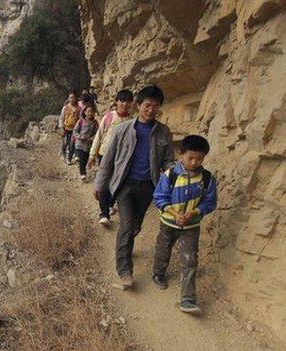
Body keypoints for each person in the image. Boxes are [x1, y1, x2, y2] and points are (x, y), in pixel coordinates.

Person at [93, 85, 174, 290]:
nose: (151, 110)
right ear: (138, 105)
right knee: (127, 227)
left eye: (155, 107)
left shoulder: (164, 132)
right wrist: (100, 184)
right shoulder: (122, 130)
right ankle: (125, 272)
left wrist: (172, 172)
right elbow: (108, 160)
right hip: (125, 186)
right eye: (147, 105)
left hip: (149, 187)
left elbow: (167, 161)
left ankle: (125, 245)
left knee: (136, 227)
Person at [151, 135, 217, 315]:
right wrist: (174, 213)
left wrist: (195, 212)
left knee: (190, 259)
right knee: (163, 247)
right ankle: (158, 273)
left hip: (191, 225)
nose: (194, 162)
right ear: (181, 155)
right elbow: (159, 197)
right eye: (190, 158)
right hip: (168, 222)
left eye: (199, 159)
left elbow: (210, 202)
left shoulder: (207, 178)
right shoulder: (170, 175)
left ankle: (188, 300)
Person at [89, 89, 134, 225]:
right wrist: (92, 154)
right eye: (122, 101)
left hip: (122, 158)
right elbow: (99, 135)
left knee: (117, 183)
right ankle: (104, 214)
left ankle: (109, 204)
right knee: (103, 183)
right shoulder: (109, 117)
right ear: (116, 101)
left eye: (128, 101)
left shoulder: (132, 121)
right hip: (105, 155)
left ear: (131, 103)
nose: (125, 104)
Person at [73, 104, 99, 180]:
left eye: (92, 112)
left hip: (89, 145)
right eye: (88, 111)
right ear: (84, 112)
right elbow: (75, 131)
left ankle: (85, 169)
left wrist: (91, 138)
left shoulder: (95, 123)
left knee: (87, 158)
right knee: (82, 159)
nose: (90, 113)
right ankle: (83, 173)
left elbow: (97, 134)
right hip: (80, 144)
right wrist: (80, 137)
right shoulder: (81, 121)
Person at [58, 91, 81, 164]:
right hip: (65, 128)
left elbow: (80, 119)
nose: (72, 99)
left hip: (74, 129)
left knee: (72, 143)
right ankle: (63, 154)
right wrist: (61, 127)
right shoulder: (65, 108)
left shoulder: (79, 109)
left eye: (73, 97)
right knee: (65, 143)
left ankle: (69, 158)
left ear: (76, 98)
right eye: (70, 97)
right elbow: (62, 118)